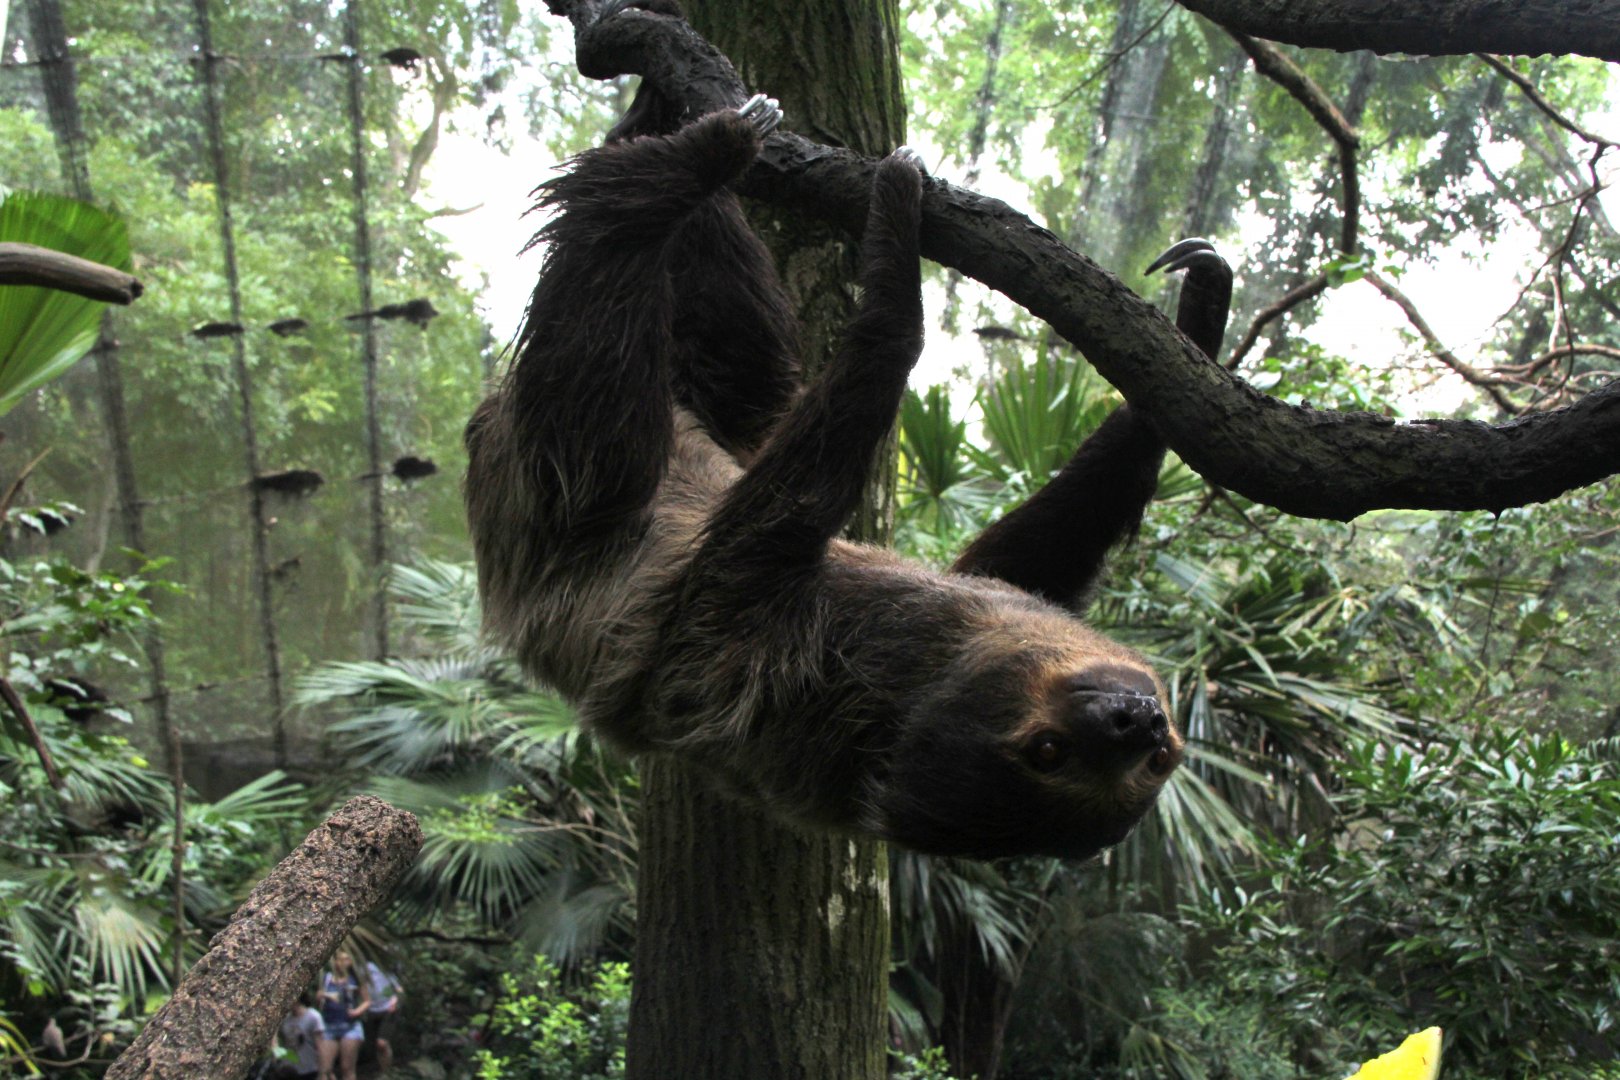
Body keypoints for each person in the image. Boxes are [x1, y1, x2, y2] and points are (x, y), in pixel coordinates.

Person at [316, 950, 369, 1080]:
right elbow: (318, 996)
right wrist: (324, 996)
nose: (342, 963)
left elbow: (367, 1001)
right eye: (340, 959)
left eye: (346, 959)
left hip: (350, 1026)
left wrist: (357, 1011)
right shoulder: (327, 978)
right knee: (324, 1069)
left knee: (347, 1068)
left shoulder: (355, 979)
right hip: (329, 1025)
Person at [362, 959, 402, 1074]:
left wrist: (396, 999)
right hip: (371, 1009)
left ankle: (387, 1072)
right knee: (374, 1044)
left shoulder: (385, 966)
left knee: (382, 1042)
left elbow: (398, 988)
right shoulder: (363, 966)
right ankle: (382, 1070)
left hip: (388, 1008)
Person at [277, 992, 323, 1080]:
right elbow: (277, 1038)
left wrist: (322, 1071)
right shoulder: (285, 1019)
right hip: (288, 1070)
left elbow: (320, 1046)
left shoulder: (313, 1017)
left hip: (308, 1068)